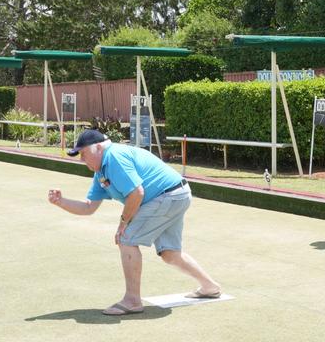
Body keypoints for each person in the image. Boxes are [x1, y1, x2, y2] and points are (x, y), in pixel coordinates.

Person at [47, 128, 221, 315]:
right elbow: (88, 207)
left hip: (167, 195)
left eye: (83, 153)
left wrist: (123, 224)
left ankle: (132, 300)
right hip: (176, 194)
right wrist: (61, 202)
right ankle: (209, 287)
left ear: (98, 147)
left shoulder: (113, 157)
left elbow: (136, 193)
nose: (82, 159)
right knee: (169, 253)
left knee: (126, 239)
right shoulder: (101, 173)